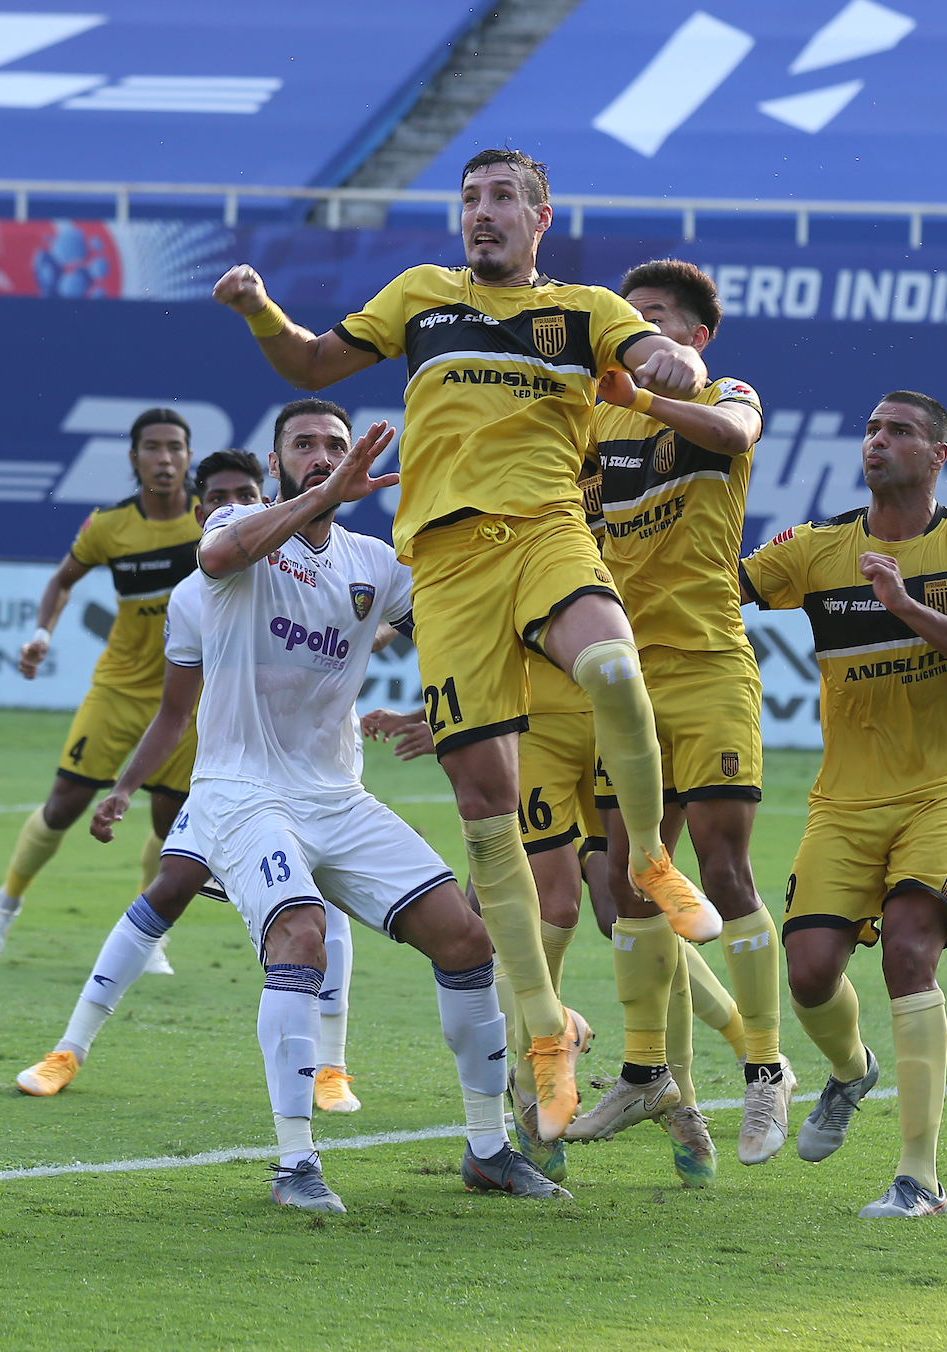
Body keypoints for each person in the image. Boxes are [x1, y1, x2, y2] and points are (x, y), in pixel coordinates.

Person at [208, 148, 718, 1145]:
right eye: (470, 198)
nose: (482, 212)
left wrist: (673, 363)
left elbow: (672, 363)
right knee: (488, 813)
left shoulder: (583, 310)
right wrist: (259, 309)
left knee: (614, 666)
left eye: (502, 199)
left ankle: (652, 858)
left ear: (540, 217)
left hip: (546, 531)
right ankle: (543, 1035)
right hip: (445, 565)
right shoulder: (420, 296)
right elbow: (311, 364)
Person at [150, 406, 559, 1209]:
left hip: (336, 795)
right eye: (304, 445)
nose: (323, 455)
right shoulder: (238, 524)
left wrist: (454, 709)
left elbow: (460, 645)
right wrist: (323, 493)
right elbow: (219, 555)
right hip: (241, 793)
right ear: (276, 463)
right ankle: (294, 1164)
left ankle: (487, 1149)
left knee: (465, 939)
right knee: (300, 935)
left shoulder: (377, 562)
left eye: (336, 445)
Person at [14, 435, 387, 1111]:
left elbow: (376, 620)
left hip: (321, 775)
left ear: (265, 496)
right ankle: (68, 1048)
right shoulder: (193, 597)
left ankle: (332, 1068)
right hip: (233, 781)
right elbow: (174, 712)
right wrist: (125, 789)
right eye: (216, 499)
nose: (229, 507)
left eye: (244, 497)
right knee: (170, 887)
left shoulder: (337, 564)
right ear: (200, 512)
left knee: (326, 907)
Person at [739, 392, 947, 1219]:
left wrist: (906, 606)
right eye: (871, 429)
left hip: (946, 786)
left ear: (938, 455)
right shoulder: (816, 547)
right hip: (845, 800)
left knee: (908, 951)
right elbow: (713, 587)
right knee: (808, 972)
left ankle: (919, 1179)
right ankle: (850, 1069)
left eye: (899, 431)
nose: (878, 441)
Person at [569, 259, 792, 1180]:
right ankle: (645, 1074)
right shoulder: (595, 418)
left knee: (724, 867)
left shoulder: (724, 393)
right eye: (629, 318)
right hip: (622, 675)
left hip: (706, 664)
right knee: (631, 880)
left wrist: (649, 398)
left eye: (655, 317)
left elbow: (733, 431)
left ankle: (766, 1067)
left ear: (696, 336)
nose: (638, 331)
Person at [0, 410, 199, 968]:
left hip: (189, 698)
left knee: (172, 825)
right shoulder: (109, 526)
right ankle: (4, 905)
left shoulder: (211, 520)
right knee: (65, 805)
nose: (164, 458)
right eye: (152, 447)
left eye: (175, 447)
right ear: (134, 458)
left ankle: (148, 934)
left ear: (188, 456)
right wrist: (41, 634)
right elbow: (62, 580)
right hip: (119, 690)